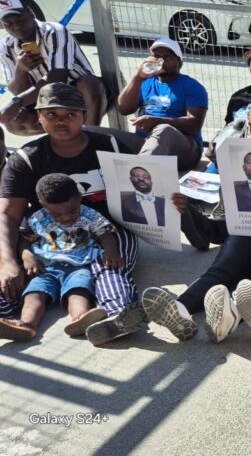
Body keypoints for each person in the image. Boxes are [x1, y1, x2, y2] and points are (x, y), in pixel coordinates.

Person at [0, 83, 186, 346]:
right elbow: (8, 216)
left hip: (108, 228)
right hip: (49, 236)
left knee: (109, 265)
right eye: (51, 114)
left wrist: (172, 201)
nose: (61, 121)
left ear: (84, 117)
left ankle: (116, 316)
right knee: (14, 271)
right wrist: (7, 262)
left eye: (70, 114)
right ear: (39, 117)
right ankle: (13, 319)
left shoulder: (110, 145)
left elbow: (148, 187)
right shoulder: (26, 159)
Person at [138, 97, 251, 345]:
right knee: (221, 271)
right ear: (249, 127)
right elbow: (235, 208)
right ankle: (179, 311)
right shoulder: (237, 156)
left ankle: (232, 314)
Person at [0, 174, 122, 341]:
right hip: (45, 268)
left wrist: (111, 251)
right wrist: (27, 255)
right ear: (43, 205)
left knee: (78, 292)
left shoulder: (90, 215)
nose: (66, 217)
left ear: (79, 197)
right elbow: (25, 239)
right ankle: (26, 324)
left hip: (79, 266)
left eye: (72, 211)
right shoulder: (38, 218)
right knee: (34, 295)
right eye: (57, 215)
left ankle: (81, 319)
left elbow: (106, 233)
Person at [0, 0, 107, 136]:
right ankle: (63, 136)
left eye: (20, 20)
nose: (16, 27)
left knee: (89, 83)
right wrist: (21, 70)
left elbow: (58, 78)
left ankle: (92, 136)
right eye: (9, 24)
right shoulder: (6, 45)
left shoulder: (54, 31)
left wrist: (17, 102)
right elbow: (17, 90)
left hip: (83, 96)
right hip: (46, 100)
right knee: (15, 122)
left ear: (31, 14)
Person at [115, 38, 206, 171]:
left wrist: (156, 122)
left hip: (184, 149)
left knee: (163, 129)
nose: (160, 61)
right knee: (102, 135)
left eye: (166, 57)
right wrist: (138, 77)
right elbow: (123, 109)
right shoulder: (145, 82)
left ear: (179, 61)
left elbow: (194, 124)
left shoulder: (192, 86)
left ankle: (139, 176)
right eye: (156, 56)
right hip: (144, 142)